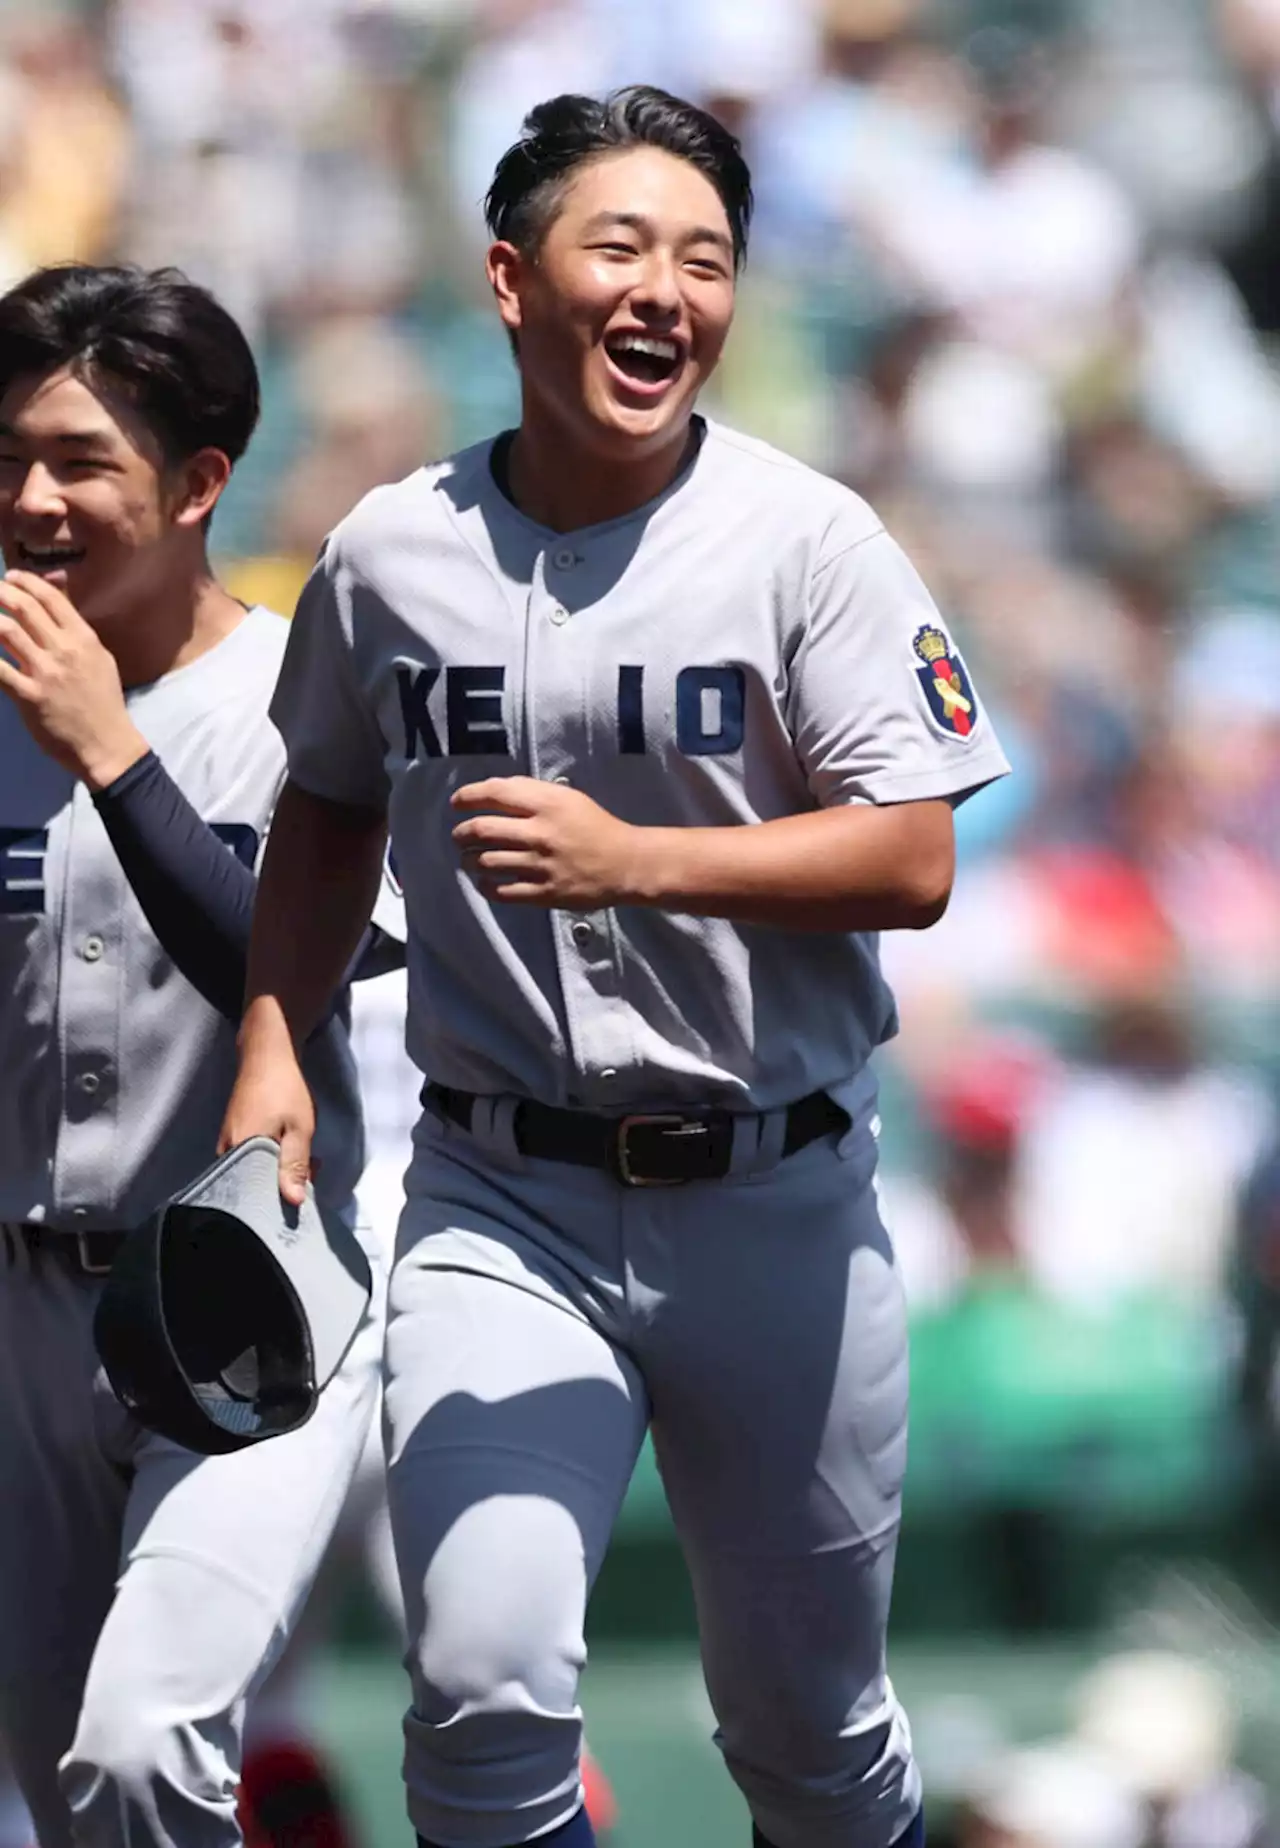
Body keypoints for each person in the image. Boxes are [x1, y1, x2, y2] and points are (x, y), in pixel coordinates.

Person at [221, 85, 1011, 1848]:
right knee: (484, 1699)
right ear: (510, 280)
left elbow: (916, 854)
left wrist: (641, 862)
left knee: (810, 1744)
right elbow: (327, 815)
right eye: (623, 246)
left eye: (707, 259)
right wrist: (275, 1049)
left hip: (774, 1199)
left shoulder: (812, 539)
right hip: (504, 1201)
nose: (668, 290)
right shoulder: (384, 554)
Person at [0, 262, 386, 1848]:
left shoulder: (314, 699)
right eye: (8, 458)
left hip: (251, 1299)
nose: (31, 499)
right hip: (21, 1309)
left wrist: (112, 755)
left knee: (148, 1747)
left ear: (198, 483)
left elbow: (307, 972)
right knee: (65, 1799)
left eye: (80, 461)